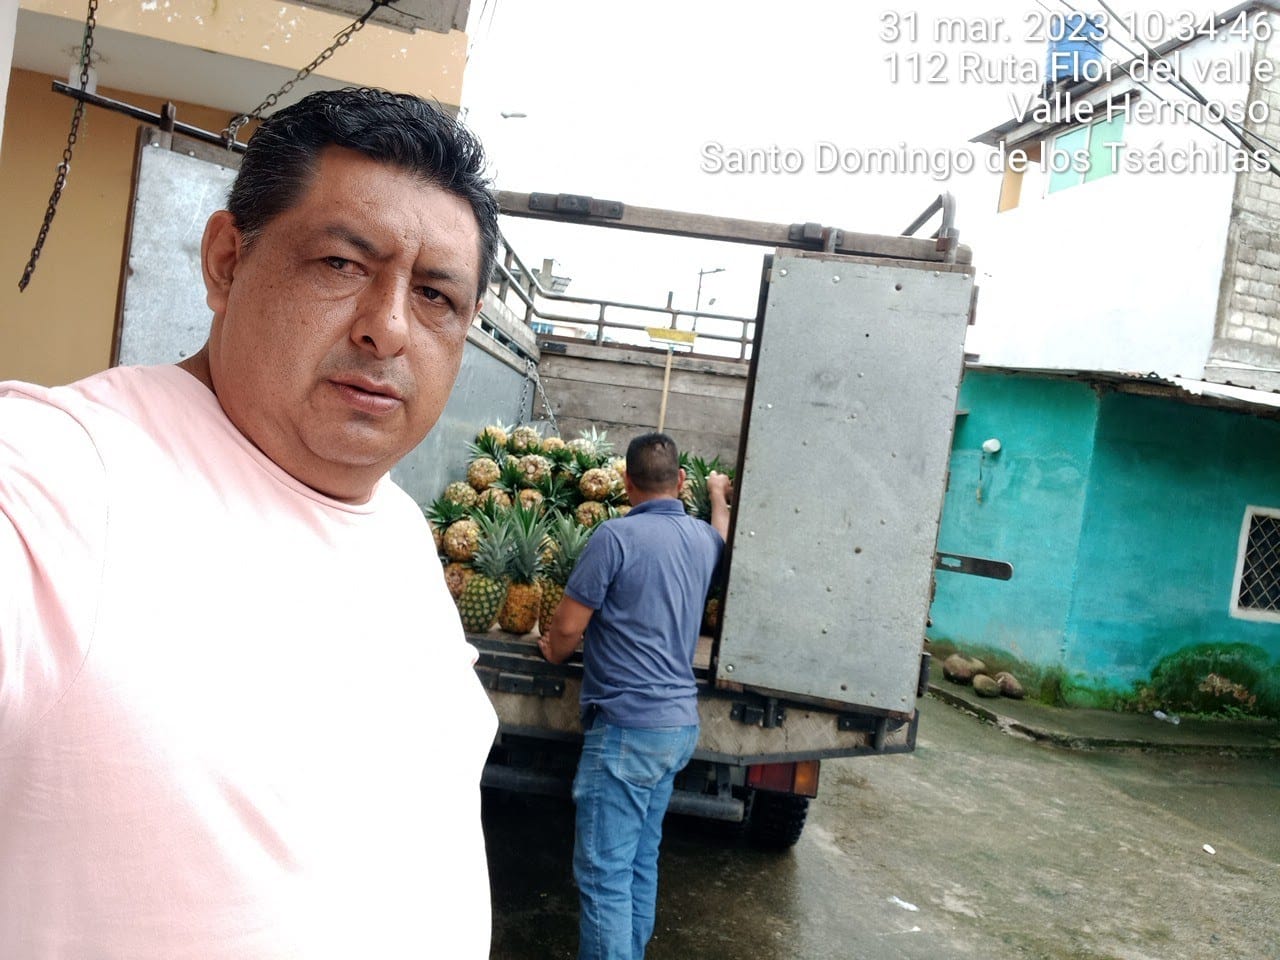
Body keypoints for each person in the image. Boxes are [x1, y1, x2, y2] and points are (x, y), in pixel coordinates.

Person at [0, 88, 501, 958]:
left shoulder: (396, 530)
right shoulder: (63, 476)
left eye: (434, 295)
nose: (387, 328)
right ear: (227, 262)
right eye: (342, 263)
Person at [539, 433, 732, 960]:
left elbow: (568, 628)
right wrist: (718, 495)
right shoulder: (702, 541)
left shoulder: (614, 537)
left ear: (626, 482)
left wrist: (553, 650)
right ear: (681, 481)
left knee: (603, 874)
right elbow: (721, 533)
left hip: (627, 729)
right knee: (640, 862)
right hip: (677, 727)